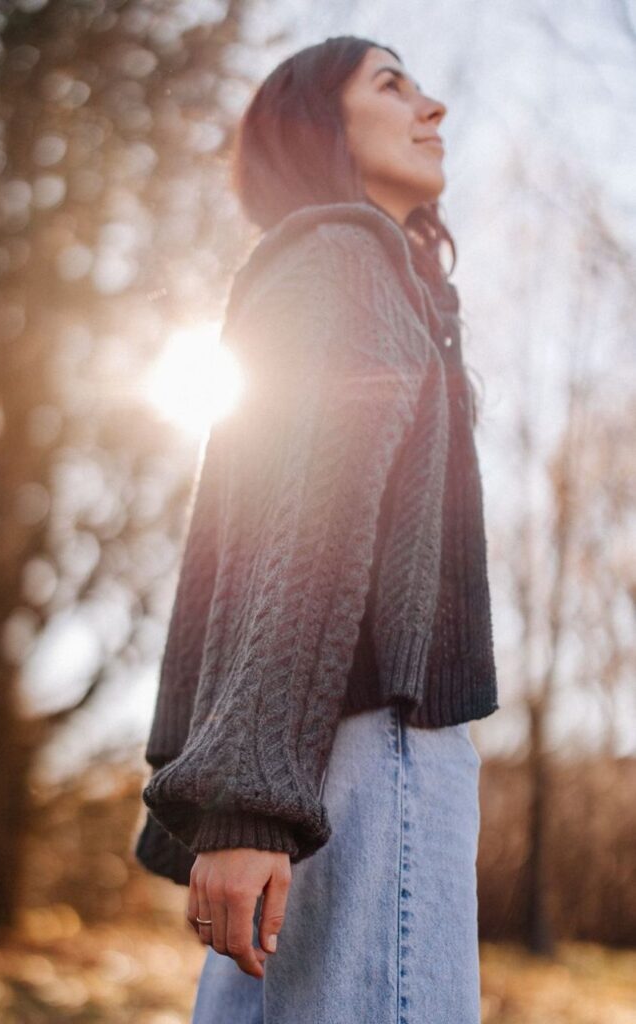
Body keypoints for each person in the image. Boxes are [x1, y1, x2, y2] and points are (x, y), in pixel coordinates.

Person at [132, 35, 500, 1024]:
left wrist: (240, 789)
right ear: (320, 126)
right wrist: (250, 802)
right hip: (364, 760)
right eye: (393, 84)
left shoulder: (349, 270)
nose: (433, 109)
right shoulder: (344, 255)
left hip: (320, 762)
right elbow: (297, 536)